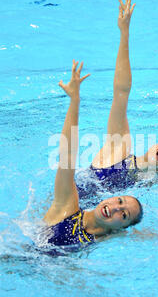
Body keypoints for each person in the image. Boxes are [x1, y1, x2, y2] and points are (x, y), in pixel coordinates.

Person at [85, 0, 158, 193]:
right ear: (157, 143)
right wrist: (125, 33)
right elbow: (121, 92)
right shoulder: (120, 148)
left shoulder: (144, 189)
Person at [41, 60, 143, 254]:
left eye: (123, 215)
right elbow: (67, 155)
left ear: (120, 228)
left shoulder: (103, 237)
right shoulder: (66, 208)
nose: (114, 208)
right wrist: (74, 101)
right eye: (119, 201)